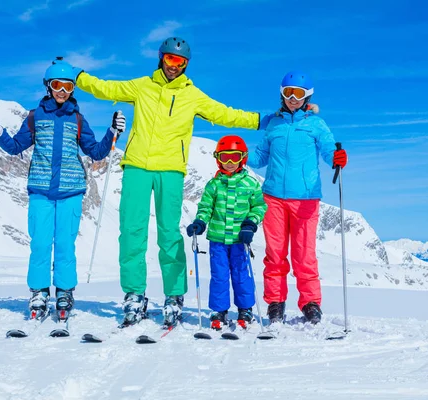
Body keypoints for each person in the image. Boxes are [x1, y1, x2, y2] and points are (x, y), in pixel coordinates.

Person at [70, 37, 262, 327]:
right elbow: (106, 87)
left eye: (180, 62)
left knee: (169, 234)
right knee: (131, 232)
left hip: (171, 169)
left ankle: (174, 295)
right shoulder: (142, 86)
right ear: (161, 58)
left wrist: (260, 120)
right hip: (137, 166)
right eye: (170, 60)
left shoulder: (192, 95)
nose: (174, 66)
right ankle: (134, 294)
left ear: (186, 65)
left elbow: (225, 114)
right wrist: (79, 77)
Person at [0, 57, 125, 320]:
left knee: (64, 245)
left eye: (68, 86)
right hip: (40, 191)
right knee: (39, 243)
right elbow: (16, 147)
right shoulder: (35, 117)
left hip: (71, 191)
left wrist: (111, 132)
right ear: (48, 86)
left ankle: (64, 291)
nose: (62, 91)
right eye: (57, 85)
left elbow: (95, 152)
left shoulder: (78, 119)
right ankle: (38, 291)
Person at [247, 71, 348, 325]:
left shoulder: (316, 124)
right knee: (275, 254)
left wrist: (335, 158)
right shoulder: (274, 124)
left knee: (304, 254)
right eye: (288, 93)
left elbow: (327, 148)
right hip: (273, 199)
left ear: (307, 97)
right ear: (281, 94)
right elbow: (260, 157)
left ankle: (310, 303)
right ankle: (276, 303)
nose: (293, 98)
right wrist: (237, 155)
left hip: (305, 198)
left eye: (299, 94)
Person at [186, 135, 266, 330]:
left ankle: (245, 309)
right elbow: (206, 207)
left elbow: (259, 207)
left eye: (234, 157)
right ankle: (219, 310)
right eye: (224, 158)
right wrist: (200, 222)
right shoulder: (214, 185)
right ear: (218, 158)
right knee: (219, 275)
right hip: (218, 240)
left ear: (243, 157)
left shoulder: (250, 183)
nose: (229, 163)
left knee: (241, 274)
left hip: (240, 239)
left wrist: (250, 224)